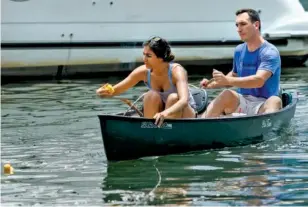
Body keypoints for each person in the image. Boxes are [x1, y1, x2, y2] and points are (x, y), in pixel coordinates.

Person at [200, 8, 282, 118]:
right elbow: (234, 76)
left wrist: (227, 80)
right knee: (226, 94)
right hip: (243, 101)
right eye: (237, 25)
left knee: (275, 101)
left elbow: (259, 81)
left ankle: (266, 131)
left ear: (256, 25)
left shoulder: (270, 52)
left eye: (243, 24)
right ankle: (203, 125)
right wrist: (213, 83)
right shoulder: (239, 50)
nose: (239, 29)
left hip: (264, 103)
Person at [96, 36, 197, 126]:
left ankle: (170, 135)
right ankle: (151, 130)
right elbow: (115, 91)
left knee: (173, 98)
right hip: (160, 116)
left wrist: (165, 113)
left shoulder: (177, 71)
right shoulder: (143, 71)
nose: (144, 59)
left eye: (148, 56)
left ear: (161, 57)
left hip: (185, 115)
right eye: (143, 54)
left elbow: (183, 101)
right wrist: (102, 92)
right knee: (150, 95)